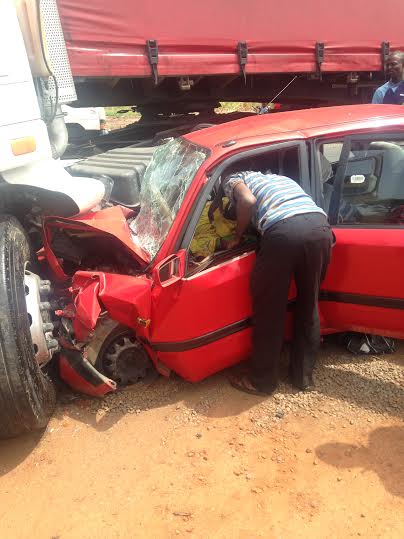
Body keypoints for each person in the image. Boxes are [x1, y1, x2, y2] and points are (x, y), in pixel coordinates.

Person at [216, 170, 334, 396]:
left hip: (284, 232)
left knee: (269, 310)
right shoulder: (281, 178)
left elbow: (247, 201)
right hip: (320, 229)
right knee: (309, 304)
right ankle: (303, 377)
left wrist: (237, 236)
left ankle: (261, 381)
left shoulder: (233, 179)